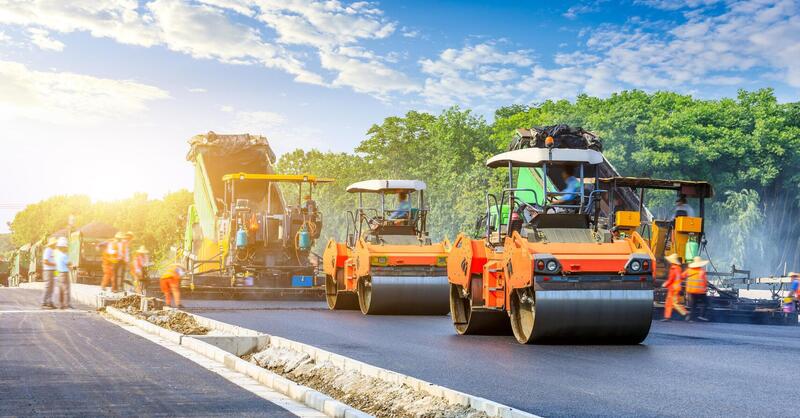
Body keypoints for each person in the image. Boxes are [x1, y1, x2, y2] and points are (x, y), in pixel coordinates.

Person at [682, 256, 710, 322]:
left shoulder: (689, 270)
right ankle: (701, 316)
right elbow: (704, 282)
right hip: (700, 291)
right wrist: (705, 289)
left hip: (691, 291)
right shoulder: (701, 271)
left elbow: (682, 276)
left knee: (693, 305)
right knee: (705, 303)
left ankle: (690, 318)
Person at [661, 253, 687, 321]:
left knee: (674, 303)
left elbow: (671, 279)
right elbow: (680, 277)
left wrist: (664, 284)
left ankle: (685, 313)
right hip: (676, 287)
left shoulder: (673, 268)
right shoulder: (678, 268)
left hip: (673, 288)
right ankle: (667, 317)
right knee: (669, 303)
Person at [54, 237, 72, 309]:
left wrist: (56, 275)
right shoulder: (64, 255)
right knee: (66, 289)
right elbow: (69, 264)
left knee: (61, 289)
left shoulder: (57, 255)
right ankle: (66, 304)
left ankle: (61, 304)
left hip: (59, 273)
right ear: (64, 247)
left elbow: (56, 265)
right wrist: (71, 266)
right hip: (64, 273)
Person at [40, 237, 57, 309]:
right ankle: (43, 302)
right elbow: (45, 261)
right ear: (52, 244)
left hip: (53, 271)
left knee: (52, 288)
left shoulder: (53, 251)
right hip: (48, 271)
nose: (56, 244)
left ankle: (49, 302)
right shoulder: (48, 250)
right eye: (55, 243)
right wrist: (54, 264)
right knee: (48, 287)